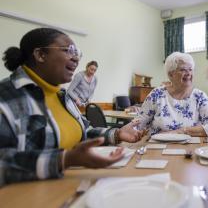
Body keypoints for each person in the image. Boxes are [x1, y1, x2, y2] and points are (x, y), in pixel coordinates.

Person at [0, 28, 143, 186]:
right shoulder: (6, 98)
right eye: (68, 51)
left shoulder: (62, 95)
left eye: (77, 53)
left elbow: (83, 132)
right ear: (40, 55)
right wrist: (64, 159)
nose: (76, 58)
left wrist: (116, 134)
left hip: (70, 185)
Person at [136, 52, 208, 137]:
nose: (188, 73)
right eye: (183, 69)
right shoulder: (157, 94)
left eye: (190, 69)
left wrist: (181, 131)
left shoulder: (199, 96)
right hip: (159, 147)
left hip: (190, 148)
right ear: (170, 74)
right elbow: (138, 125)